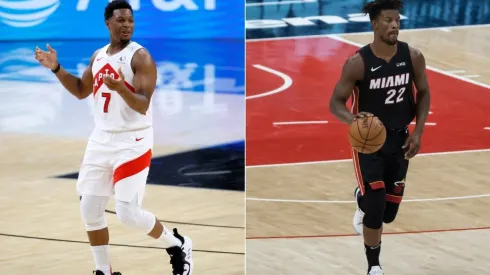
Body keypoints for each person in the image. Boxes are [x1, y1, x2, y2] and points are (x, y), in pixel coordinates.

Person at [34, 1, 193, 274]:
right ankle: (103, 270)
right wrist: (57, 68)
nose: (126, 25)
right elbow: (82, 90)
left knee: (128, 214)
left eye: (130, 21)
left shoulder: (140, 57)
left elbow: (142, 105)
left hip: (134, 141)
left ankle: (178, 244)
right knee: (90, 210)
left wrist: (121, 88)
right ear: (108, 23)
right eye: (120, 21)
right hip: (101, 140)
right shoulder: (98, 56)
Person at [329, 0, 430, 274]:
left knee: (388, 214)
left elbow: (423, 93)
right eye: (388, 20)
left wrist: (418, 131)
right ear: (375, 24)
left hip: (400, 140)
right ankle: (374, 267)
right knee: (376, 207)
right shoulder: (358, 63)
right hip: (369, 144)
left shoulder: (413, 56)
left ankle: (360, 198)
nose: (394, 24)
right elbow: (336, 102)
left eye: (397, 20)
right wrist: (355, 120)